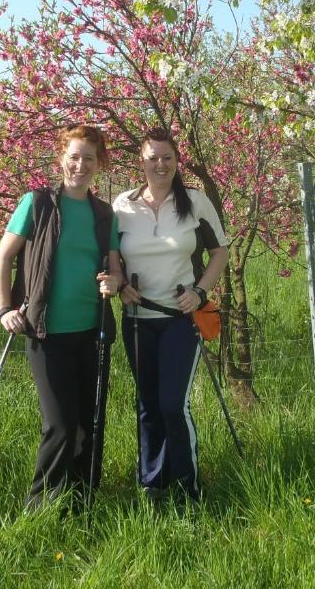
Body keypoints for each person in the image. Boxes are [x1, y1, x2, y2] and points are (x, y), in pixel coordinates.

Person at [0, 125, 120, 510]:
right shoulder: (38, 203)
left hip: (91, 332)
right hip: (46, 333)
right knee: (61, 426)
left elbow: (114, 268)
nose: (81, 165)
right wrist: (4, 309)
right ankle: (39, 507)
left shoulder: (103, 213)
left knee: (88, 424)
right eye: (74, 156)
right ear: (61, 157)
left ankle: (82, 500)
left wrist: (113, 282)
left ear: (101, 164)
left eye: (90, 158)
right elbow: (4, 257)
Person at [112, 128, 229, 503]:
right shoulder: (122, 205)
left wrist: (200, 292)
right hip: (137, 318)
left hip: (181, 318)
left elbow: (220, 252)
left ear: (177, 161)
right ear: (141, 162)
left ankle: (188, 485)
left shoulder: (194, 202)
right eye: (152, 158)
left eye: (167, 158)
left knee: (172, 403)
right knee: (147, 403)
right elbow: (111, 253)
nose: (160, 165)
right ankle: (152, 483)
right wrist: (118, 282)